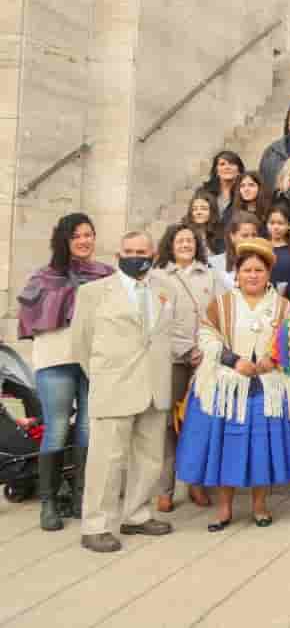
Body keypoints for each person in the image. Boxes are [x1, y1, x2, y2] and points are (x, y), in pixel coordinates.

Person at [175, 238, 290, 531]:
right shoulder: (222, 304)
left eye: (259, 270)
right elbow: (207, 336)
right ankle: (224, 509)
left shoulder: (282, 306)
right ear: (237, 273)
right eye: (247, 269)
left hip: (267, 386)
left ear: (268, 274)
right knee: (227, 446)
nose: (253, 275)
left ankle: (260, 505)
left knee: (261, 446)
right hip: (227, 387)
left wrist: (271, 360)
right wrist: (233, 360)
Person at [70, 231, 175, 552]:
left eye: (141, 250)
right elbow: (81, 343)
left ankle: (137, 515)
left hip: (154, 385)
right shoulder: (93, 293)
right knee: (106, 461)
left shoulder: (165, 289)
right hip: (114, 386)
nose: (135, 255)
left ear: (153, 253)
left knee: (149, 458)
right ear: (118, 254)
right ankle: (96, 526)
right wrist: (103, 375)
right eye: (128, 250)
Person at [18, 213, 115, 532]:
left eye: (89, 234)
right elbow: (30, 317)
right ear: (64, 239)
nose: (85, 241)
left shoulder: (107, 275)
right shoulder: (45, 276)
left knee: (88, 427)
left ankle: (79, 498)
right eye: (77, 236)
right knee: (57, 427)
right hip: (56, 359)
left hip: (94, 359)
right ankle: (48, 503)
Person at [152, 223, 221, 514]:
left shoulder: (210, 275)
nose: (185, 245)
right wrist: (184, 349)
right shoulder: (156, 277)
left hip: (205, 359)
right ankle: (165, 489)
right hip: (172, 360)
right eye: (179, 240)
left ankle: (195, 482)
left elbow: (220, 313)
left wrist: (206, 349)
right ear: (170, 244)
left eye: (190, 241)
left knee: (199, 421)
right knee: (168, 424)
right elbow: (157, 320)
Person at [209, 213, 262, 291]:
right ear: (232, 236)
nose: (250, 239)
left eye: (254, 235)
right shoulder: (214, 263)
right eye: (245, 235)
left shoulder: (263, 262)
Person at [201, 150, 245, 219]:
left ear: (239, 170)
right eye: (222, 164)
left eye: (232, 164)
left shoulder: (245, 192)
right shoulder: (204, 191)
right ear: (216, 171)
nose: (227, 167)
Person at [182, 191, 224, 255]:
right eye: (195, 209)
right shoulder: (182, 232)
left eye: (203, 209)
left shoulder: (220, 233)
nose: (198, 212)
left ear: (212, 211)